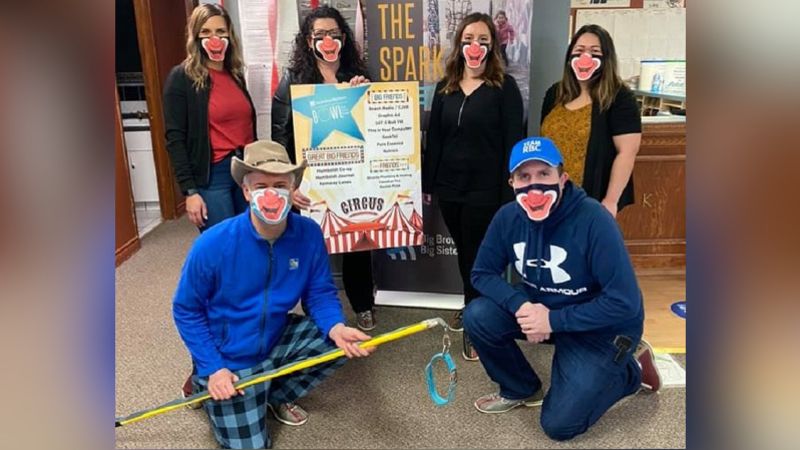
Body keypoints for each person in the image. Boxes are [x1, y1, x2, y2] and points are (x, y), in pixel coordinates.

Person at [173, 140, 375, 449]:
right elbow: (186, 309)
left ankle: (270, 393)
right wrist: (214, 368)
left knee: (335, 343)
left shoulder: (308, 233)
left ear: (293, 189)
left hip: (275, 336)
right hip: (230, 356)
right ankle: (206, 383)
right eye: (261, 186)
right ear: (246, 192)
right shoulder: (212, 244)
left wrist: (335, 326)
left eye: (280, 185)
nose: (271, 194)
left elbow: (319, 292)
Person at [463, 136, 661, 441]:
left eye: (544, 174)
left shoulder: (595, 220)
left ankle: (630, 372)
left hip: (601, 326)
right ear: (512, 183)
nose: (534, 186)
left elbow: (624, 303)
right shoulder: (507, 217)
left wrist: (552, 321)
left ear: (563, 178)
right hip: (543, 307)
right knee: (477, 315)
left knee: (559, 425)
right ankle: (520, 387)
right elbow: (482, 273)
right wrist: (523, 307)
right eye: (524, 176)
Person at [422, 12, 524, 360]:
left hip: (488, 192)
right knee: (465, 254)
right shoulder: (445, 87)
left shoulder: (504, 88)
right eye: (468, 40)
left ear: (492, 46)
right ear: (460, 46)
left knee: (481, 257)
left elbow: (513, 142)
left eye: (483, 40)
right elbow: (435, 140)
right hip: (450, 190)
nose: (475, 46)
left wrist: (510, 193)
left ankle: (476, 321)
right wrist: (429, 184)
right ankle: (474, 307)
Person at [271, 5, 378, 332]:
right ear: (308, 41)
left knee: (357, 242)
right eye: (319, 35)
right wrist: (288, 185)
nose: (327, 41)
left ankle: (363, 304)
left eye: (334, 34)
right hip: (310, 183)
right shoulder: (293, 81)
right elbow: (279, 138)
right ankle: (317, 312)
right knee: (311, 247)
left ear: (343, 37)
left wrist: (367, 94)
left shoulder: (357, 76)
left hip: (353, 179)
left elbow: (377, 128)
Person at [163, 3, 256, 232]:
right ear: (196, 37)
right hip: (213, 176)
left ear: (229, 35)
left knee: (250, 238)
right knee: (223, 242)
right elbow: (175, 139)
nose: (215, 38)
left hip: (245, 171)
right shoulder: (182, 78)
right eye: (206, 32)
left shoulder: (235, 75)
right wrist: (190, 191)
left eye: (220, 31)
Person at [540, 24, 641, 218]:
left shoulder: (619, 97)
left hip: (591, 199)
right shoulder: (555, 93)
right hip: (552, 197)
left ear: (606, 58)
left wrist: (610, 201)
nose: (585, 57)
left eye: (594, 52)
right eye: (579, 51)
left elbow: (627, 152)